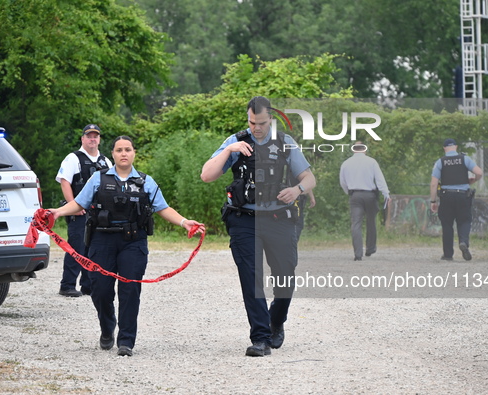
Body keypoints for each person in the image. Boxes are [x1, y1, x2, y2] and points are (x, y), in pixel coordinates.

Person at [49, 136, 204, 357]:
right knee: (100, 290)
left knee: (130, 290)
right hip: (101, 240)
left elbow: (163, 207)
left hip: (133, 241)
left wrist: (184, 222)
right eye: (119, 150)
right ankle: (107, 327)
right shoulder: (98, 178)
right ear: (112, 154)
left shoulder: (145, 181)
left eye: (128, 149)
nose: (124, 153)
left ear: (133, 153)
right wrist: (57, 211)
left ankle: (126, 341)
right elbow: (79, 203)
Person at [200, 96, 316, 357]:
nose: (256, 128)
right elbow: (206, 175)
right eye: (252, 122)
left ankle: (276, 321)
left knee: (285, 276)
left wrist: (297, 190)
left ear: (271, 119)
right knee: (251, 279)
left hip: (278, 219)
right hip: (243, 220)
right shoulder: (235, 142)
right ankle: (260, 338)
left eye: (261, 123)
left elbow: (309, 179)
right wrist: (229, 151)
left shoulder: (285, 142)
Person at [55, 124, 113, 297]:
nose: (92, 139)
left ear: (99, 139)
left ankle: (88, 285)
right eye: (89, 136)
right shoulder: (74, 158)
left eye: (95, 136)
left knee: (94, 249)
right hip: (79, 212)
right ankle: (67, 285)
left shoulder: (105, 161)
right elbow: (64, 181)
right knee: (77, 247)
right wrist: (72, 206)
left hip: (99, 213)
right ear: (83, 139)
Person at [429, 138, 483, 261]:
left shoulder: (440, 162)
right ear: (456, 147)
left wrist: (433, 201)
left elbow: (433, 183)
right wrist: (474, 180)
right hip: (463, 196)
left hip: (446, 196)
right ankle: (463, 242)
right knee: (464, 221)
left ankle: (448, 255)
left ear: (444, 148)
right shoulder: (464, 159)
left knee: (447, 224)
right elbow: (479, 172)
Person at [339, 141, 390, 261]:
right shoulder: (371, 162)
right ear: (364, 149)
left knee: (356, 223)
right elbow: (379, 179)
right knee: (371, 221)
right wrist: (386, 194)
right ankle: (370, 248)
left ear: (353, 149)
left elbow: (343, 182)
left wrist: (349, 192)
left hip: (355, 195)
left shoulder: (346, 163)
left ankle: (358, 254)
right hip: (370, 195)